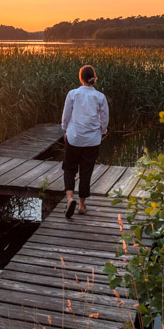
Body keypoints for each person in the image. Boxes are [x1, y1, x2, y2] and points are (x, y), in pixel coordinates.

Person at [61, 64, 109, 218]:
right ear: (93, 78)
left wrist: (65, 129)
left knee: (69, 169)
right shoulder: (100, 96)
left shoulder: (73, 94)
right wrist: (102, 131)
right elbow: (105, 118)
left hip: (74, 138)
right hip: (92, 140)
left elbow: (66, 115)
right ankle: (81, 206)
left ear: (80, 77)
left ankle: (69, 199)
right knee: (85, 172)